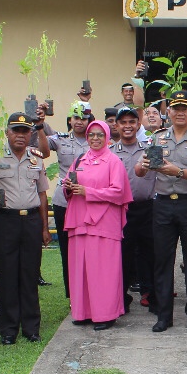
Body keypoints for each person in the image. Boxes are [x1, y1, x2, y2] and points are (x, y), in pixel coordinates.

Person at [136, 90, 187, 333]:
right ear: (167, 112)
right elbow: (140, 171)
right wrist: (143, 165)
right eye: (175, 108)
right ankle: (163, 315)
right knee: (162, 260)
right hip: (162, 205)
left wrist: (178, 172)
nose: (180, 113)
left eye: (184, 109)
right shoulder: (157, 138)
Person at [0, 113, 49, 345]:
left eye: (25, 131)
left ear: (30, 134)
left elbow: (42, 194)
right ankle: (8, 330)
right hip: (4, 222)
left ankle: (31, 328)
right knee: (6, 275)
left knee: (29, 274)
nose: (20, 135)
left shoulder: (36, 159)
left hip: (31, 222)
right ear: (7, 133)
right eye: (16, 130)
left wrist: (45, 228)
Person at [64, 120, 133, 329]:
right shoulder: (79, 160)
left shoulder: (113, 161)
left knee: (103, 270)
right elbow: (68, 188)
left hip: (104, 222)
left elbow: (118, 192)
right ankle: (83, 312)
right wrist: (68, 187)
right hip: (79, 220)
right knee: (81, 269)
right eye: (91, 134)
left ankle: (106, 314)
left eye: (99, 135)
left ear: (106, 137)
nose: (95, 138)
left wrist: (88, 192)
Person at [45, 103, 91, 296]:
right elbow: (41, 147)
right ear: (70, 120)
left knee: (89, 250)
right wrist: (40, 124)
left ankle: (90, 291)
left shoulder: (96, 140)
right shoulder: (59, 139)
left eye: (84, 117)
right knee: (67, 251)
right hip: (64, 202)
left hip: (88, 202)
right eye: (76, 117)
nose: (79, 121)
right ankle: (72, 295)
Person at [111, 106, 155, 310]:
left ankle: (151, 295)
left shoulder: (150, 147)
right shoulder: (110, 152)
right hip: (121, 210)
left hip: (148, 207)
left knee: (151, 253)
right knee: (122, 255)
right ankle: (121, 298)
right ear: (117, 125)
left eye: (131, 122)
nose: (127, 126)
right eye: (123, 122)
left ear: (138, 125)